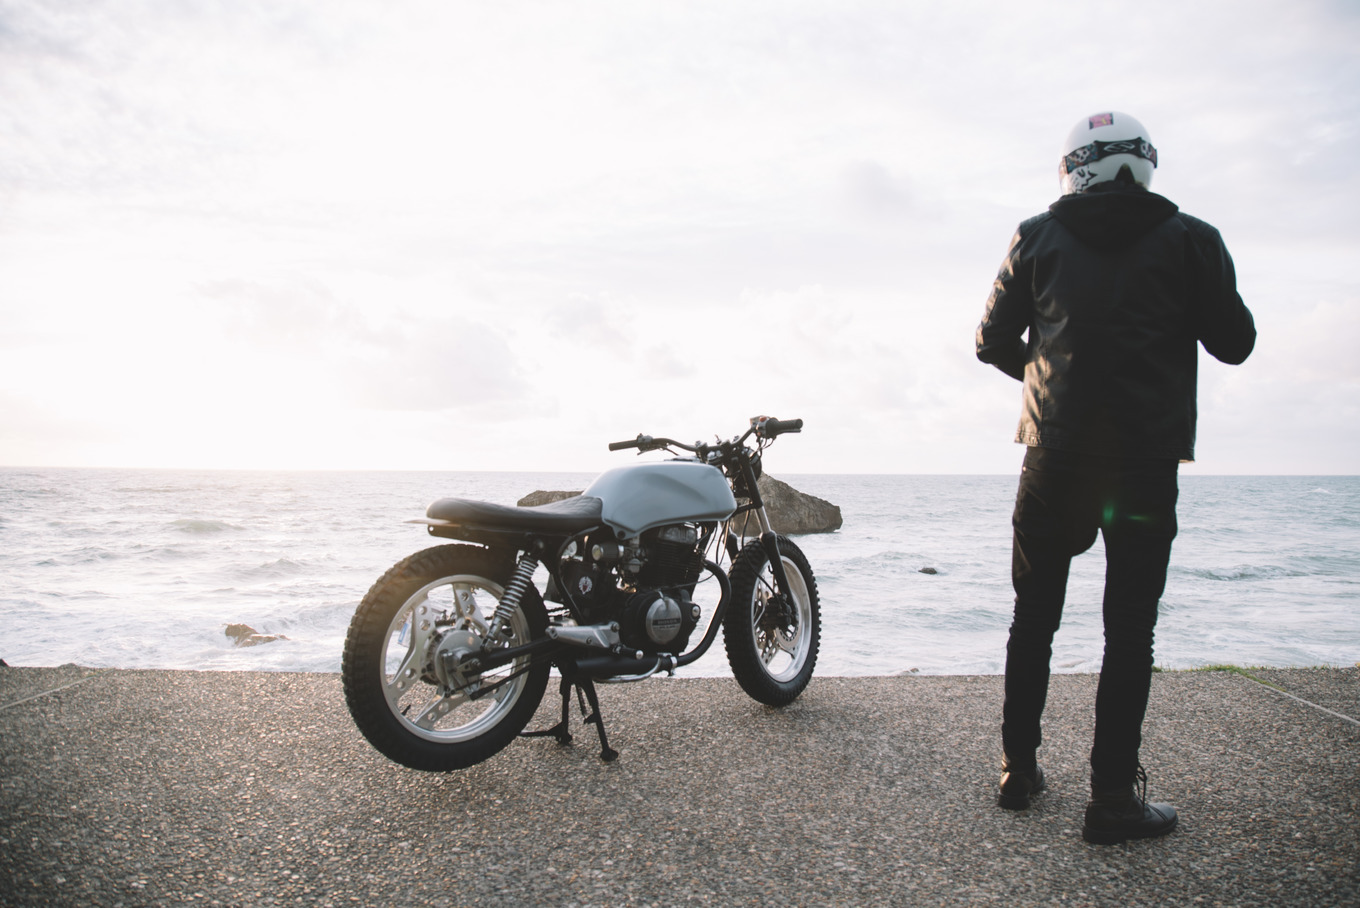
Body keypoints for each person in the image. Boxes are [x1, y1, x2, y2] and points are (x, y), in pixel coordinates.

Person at [975, 111, 1256, 844]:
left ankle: (1018, 770)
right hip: (1142, 464)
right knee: (1130, 629)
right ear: (1144, 164)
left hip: (1054, 456)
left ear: (1072, 169)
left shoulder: (1036, 236)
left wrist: (1048, 372)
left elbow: (990, 341)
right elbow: (1236, 343)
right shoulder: (1192, 239)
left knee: (1033, 618)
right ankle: (1111, 800)